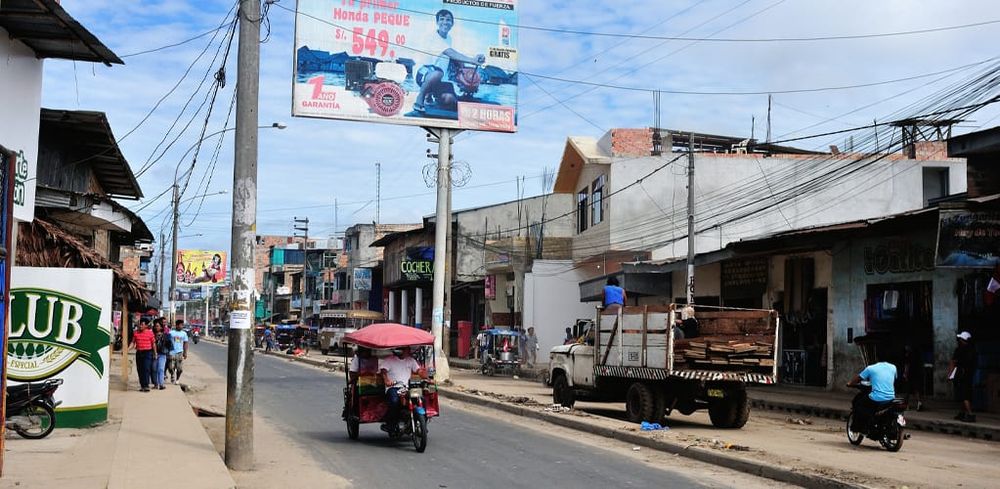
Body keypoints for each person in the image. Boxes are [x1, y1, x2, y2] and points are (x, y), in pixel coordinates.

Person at [412, 9, 486, 113]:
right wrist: (472, 60)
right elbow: (450, 53)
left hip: (439, 79)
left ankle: (432, 96)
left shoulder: (449, 38)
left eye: (448, 20)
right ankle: (420, 99)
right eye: (441, 19)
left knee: (449, 99)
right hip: (423, 74)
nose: (445, 22)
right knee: (437, 73)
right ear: (437, 22)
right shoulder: (432, 37)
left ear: (452, 23)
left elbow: (453, 56)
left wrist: (476, 59)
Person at [846, 348, 897, 432]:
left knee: (858, 404)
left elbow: (858, 378)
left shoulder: (871, 368)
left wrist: (850, 383)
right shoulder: (893, 367)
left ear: (876, 358)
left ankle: (861, 427)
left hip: (876, 398)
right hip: (891, 397)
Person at [379, 347, 427, 433]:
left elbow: (418, 370)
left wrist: (424, 374)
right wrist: (386, 380)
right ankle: (391, 424)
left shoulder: (411, 360)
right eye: (405, 349)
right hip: (393, 387)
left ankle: (423, 424)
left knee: (422, 399)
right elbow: (383, 371)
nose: (408, 351)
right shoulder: (389, 360)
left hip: (407, 388)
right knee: (394, 401)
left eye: (408, 349)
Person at [951, 331, 977, 422]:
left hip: (961, 375)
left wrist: (951, 374)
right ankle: (962, 413)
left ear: (963, 340)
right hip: (969, 375)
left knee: (964, 395)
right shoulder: (973, 350)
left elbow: (953, 362)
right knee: (965, 395)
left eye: (960, 339)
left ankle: (970, 414)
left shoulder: (960, 350)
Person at [130, 319, 155, 392]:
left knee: (146, 368)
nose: (140, 326)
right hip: (139, 352)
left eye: (142, 324)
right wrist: (127, 349)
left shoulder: (150, 333)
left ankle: (146, 385)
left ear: (146, 326)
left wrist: (155, 353)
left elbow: (153, 343)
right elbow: (133, 342)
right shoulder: (136, 332)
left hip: (147, 352)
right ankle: (142, 385)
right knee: (140, 369)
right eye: (140, 324)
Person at [169, 320, 189, 384]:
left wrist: (185, 353)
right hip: (171, 352)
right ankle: (172, 374)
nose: (182, 326)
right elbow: (167, 342)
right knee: (170, 367)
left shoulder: (184, 333)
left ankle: (177, 379)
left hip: (180, 352)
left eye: (182, 325)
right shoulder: (171, 333)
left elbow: (185, 343)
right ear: (177, 325)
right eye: (181, 325)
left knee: (179, 368)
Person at [153, 322, 171, 390]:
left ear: (161, 327)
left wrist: (168, 352)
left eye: (158, 326)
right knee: (154, 369)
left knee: (161, 369)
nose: (156, 327)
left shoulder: (165, 335)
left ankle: (161, 384)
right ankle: (156, 384)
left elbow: (169, 345)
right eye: (155, 326)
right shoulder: (153, 335)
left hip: (162, 354)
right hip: (154, 354)